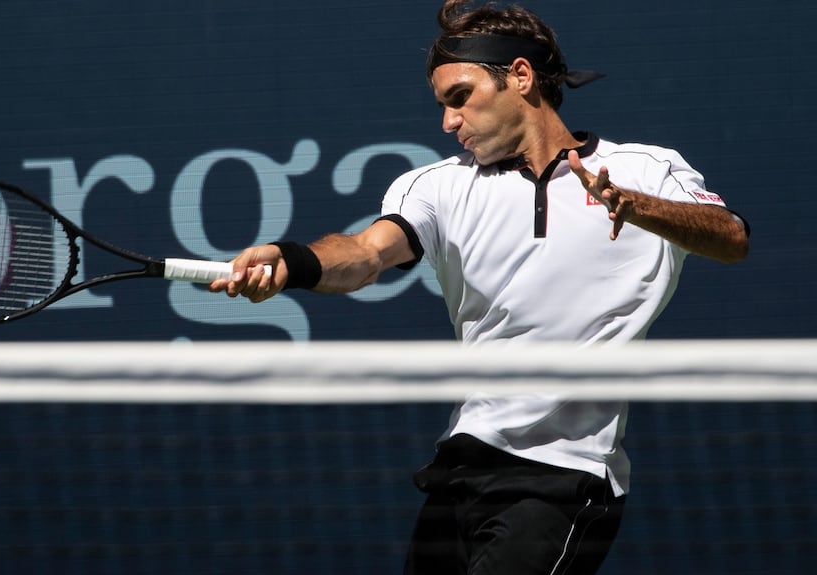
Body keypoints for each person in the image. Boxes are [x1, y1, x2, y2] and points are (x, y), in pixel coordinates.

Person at [209, 1, 750, 573]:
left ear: (520, 77)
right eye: (442, 105)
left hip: (562, 478)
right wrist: (293, 261)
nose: (447, 122)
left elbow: (730, 238)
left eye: (459, 98)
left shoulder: (646, 169)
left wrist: (637, 207)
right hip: (460, 472)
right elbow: (366, 254)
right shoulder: (436, 188)